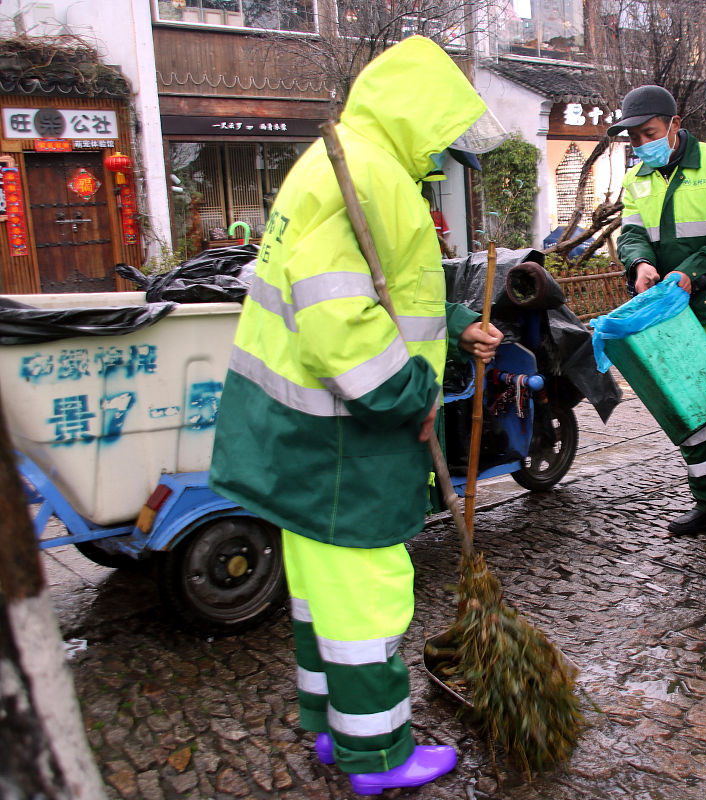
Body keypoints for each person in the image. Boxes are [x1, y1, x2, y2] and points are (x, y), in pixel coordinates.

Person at [209, 36, 503, 795]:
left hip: (297, 436)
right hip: (343, 443)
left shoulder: (342, 158)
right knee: (369, 601)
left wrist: (456, 317)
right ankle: (380, 756)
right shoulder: (372, 176)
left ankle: (331, 728)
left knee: (320, 601)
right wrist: (410, 394)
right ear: (417, 113)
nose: (444, 149)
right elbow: (337, 315)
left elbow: (383, 288)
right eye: (443, 130)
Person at [608, 84, 706, 546]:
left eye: (649, 133)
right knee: (689, 410)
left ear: (675, 125)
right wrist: (639, 263)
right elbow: (631, 234)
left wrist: (687, 275)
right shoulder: (637, 177)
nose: (642, 145)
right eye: (634, 138)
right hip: (671, 314)